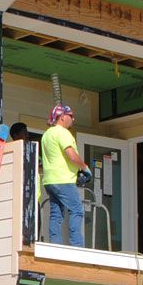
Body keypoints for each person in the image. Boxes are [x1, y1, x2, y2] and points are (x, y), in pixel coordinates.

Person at [40, 104, 87, 247]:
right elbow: (72, 156)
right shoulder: (63, 133)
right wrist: (84, 167)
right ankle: (77, 246)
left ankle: (55, 245)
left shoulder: (47, 134)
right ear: (62, 117)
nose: (73, 118)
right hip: (63, 180)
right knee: (77, 210)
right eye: (71, 115)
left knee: (56, 213)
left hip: (50, 181)